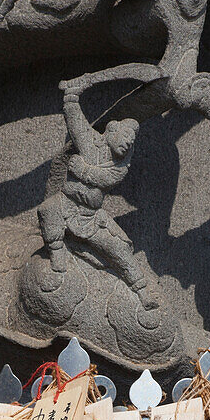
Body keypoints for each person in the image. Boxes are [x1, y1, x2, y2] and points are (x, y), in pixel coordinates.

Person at [38, 79, 157, 309]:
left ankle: (142, 291)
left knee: (118, 248)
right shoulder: (91, 143)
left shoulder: (119, 169)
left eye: (130, 143)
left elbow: (99, 179)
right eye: (124, 139)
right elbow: (77, 124)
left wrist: (79, 167)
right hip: (66, 203)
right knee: (47, 211)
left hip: (90, 217)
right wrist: (71, 98)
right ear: (112, 132)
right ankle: (57, 263)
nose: (126, 145)